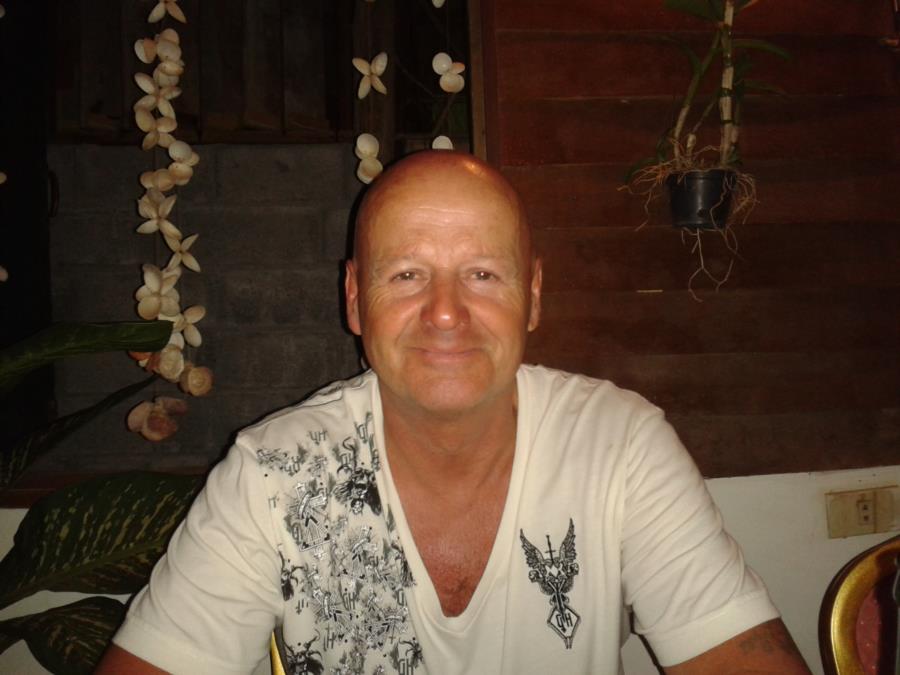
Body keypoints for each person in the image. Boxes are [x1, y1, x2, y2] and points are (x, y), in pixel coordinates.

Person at [97, 151, 811, 674]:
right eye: (408, 274)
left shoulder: (619, 444)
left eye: (483, 273)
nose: (445, 312)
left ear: (533, 297)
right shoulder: (272, 474)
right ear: (355, 299)